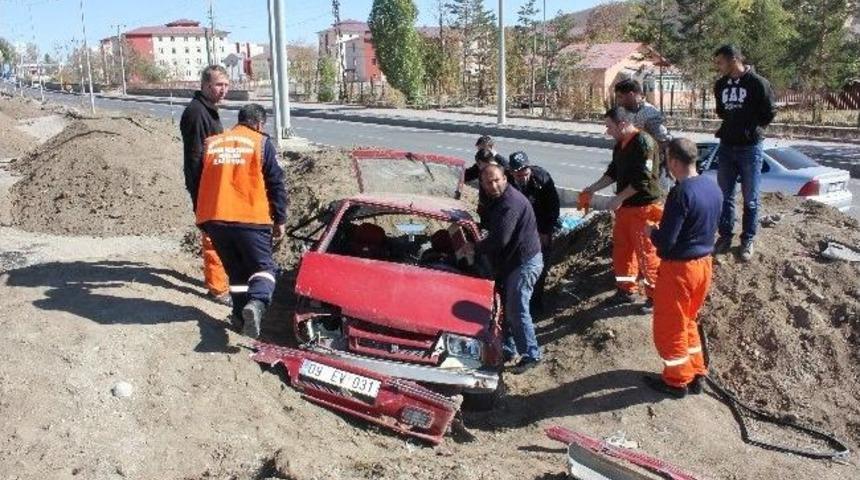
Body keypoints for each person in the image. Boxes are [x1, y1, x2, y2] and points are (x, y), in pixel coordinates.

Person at [195, 104, 288, 338]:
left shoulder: (212, 143)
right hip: (250, 218)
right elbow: (276, 183)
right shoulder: (260, 143)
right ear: (259, 124)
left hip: (214, 219)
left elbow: (197, 178)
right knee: (264, 269)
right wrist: (280, 219)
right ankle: (256, 304)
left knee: (236, 273)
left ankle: (238, 318)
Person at [643, 138, 722, 398]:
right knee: (688, 320)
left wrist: (651, 232)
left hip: (680, 271)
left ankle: (676, 381)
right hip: (704, 266)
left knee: (669, 326)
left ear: (675, 161)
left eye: (667, 159)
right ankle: (696, 371)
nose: (666, 164)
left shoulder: (681, 192)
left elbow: (666, 244)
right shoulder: (712, 188)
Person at [580, 107, 663, 312]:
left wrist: (618, 198)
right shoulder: (620, 145)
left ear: (623, 124)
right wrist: (592, 189)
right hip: (626, 209)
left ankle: (656, 297)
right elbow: (613, 172)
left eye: (609, 126)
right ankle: (626, 290)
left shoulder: (644, 142)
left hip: (644, 208)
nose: (607, 131)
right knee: (623, 251)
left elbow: (643, 180)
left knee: (647, 254)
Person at [712, 44, 776, 262]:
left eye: (720, 62)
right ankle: (725, 236)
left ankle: (748, 239)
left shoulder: (758, 83)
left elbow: (769, 112)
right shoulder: (720, 85)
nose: (718, 67)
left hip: (750, 148)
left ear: (734, 59)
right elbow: (722, 111)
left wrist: (751, 129)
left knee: (750, 198)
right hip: (727, 146)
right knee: (725, 196)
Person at [478, 164, 543, 373]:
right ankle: (507, 348)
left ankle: (531, 355)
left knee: (517, 309)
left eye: (497, 180)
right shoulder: (498, 200)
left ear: (505, 178)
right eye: (489, 182)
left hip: (524, 263)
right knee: (507, 307)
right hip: (513, 262)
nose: (493, 185)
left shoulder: (510, 203)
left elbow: (500, 240)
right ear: (482, 184)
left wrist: (475, 247)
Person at [180, 65, 231, 306]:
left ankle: (219, 281)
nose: (224, 90)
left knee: (218, 236)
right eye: (218, 85)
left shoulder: (208, 110)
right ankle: (218, 289)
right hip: (206, 188)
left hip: (214, 186)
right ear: (205, 86)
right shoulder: (197, 113)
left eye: (226, 85)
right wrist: (201, 193)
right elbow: (195, 158)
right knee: (213, 237)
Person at [508, 151, 560, 314]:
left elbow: (553, 208)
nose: (522, 176)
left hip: (540, 227)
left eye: (525, 171)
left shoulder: (541, 178)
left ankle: (535, 303)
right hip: (518, 229)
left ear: (529, 167)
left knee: (539, 266)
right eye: (518, 173)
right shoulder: (506, 181)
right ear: (511, 172)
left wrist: (544, 231)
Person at [614, 78, 672, 190]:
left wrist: (666, 166)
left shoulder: (649, 114)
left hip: (653, 168)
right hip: (631, 164)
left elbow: (664, 141)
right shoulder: (623, 111)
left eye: (620, 97)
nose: (618, 101)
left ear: (631, 94)